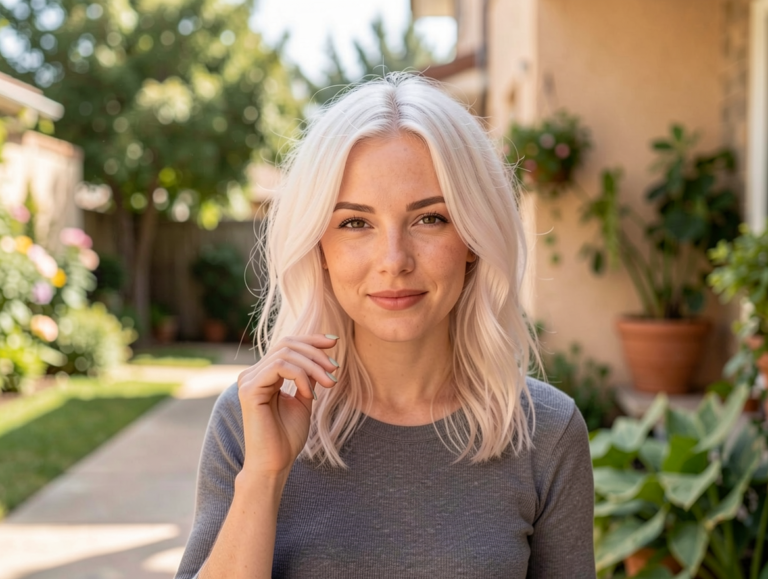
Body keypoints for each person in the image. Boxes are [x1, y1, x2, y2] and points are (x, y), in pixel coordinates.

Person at [175, 73, 595, 579]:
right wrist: (264, 476)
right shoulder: (248, 422)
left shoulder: (547, 433)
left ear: (473, 239)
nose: (393, 260)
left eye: (430, 218)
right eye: (355, 223)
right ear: (319, 247)